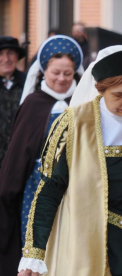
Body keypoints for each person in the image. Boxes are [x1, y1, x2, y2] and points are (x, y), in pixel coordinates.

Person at [16, 45, 122, 276]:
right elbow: (50, 189)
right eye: (118, 95)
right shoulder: (73, 123)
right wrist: (34, 253)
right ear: (100, 89)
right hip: (85, 245)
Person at [0, 35, 83, 275]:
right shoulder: (34, 103)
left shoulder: (83, 104)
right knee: (38, 250)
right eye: (56, 72)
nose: (61, 79)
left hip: (74, 188)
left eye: (67, 73)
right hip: (36, 190)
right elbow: (18, 154)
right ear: (43, 70)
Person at [0, 36, 26, 169]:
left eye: (10, 53)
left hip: (21, 158)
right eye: (1, 54)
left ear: (17, 57)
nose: (6, 59)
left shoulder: (28, 84)